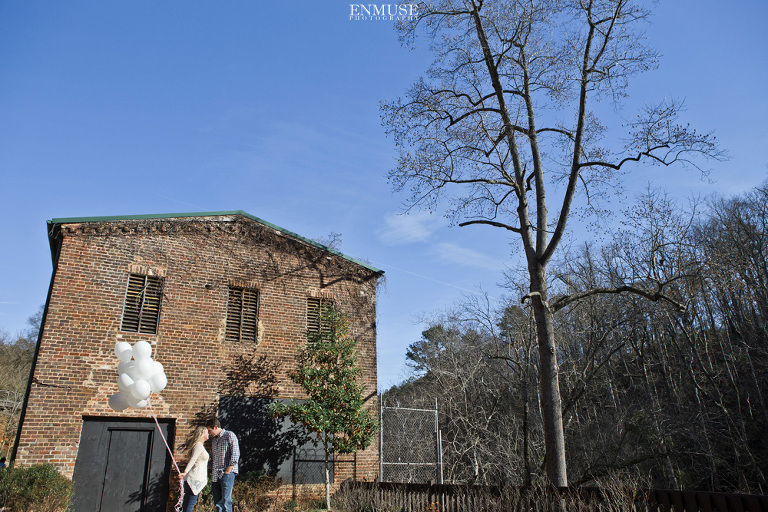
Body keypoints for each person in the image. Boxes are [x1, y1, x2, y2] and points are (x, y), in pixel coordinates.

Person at [206, 418, 239, 512]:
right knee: (218, 503)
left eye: (210, 430)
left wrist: (227, 471)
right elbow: (212, 458)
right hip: (215, 475)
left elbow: (235, 454)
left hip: (226, 474)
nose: (209, 433)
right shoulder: (214, 441)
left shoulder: (229, 435)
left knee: (226, 501)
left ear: (215, 427)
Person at [180, 426, 209, 512]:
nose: (208, 434)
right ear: (202, 434)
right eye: (207, 432)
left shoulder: (200, 446)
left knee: (188, 505)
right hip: (194, 479)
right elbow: (193, 460)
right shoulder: (198, 446)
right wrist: (185, 472)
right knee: (189, 505)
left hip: (195, 479)